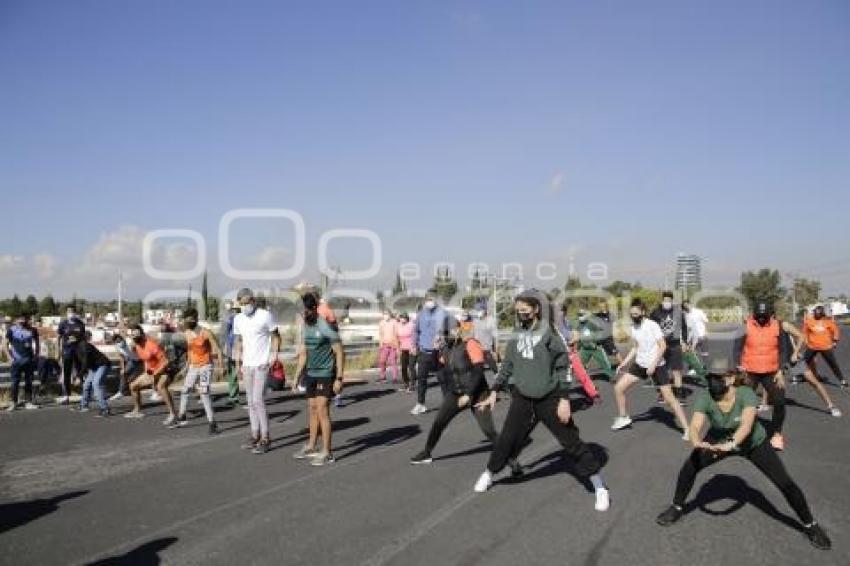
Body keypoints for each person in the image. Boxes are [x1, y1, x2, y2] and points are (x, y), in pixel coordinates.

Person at [655, 364, 831, 551]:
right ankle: (677, 507)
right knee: (689, 467)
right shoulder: (706, 396)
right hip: (718, 439)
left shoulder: (746, 393)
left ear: (731, 378)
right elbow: (695, 426)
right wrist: (697, 442)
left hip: (752, 443)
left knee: (785, 483)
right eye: (710, 377)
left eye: (718, 377)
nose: (713, 381)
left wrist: (729, 445)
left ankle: (810, 525)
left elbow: (746, 426)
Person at [472, 291, 610, 511]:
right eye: (517, 311)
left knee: (570, 440)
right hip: (523, 397)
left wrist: (564, 399)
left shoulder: (550, 332)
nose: (520, 315)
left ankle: (599, 486)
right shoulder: (517, 332)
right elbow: (507, 364)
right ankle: (489, 473)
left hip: (550, 397)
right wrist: (494, 390)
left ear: (535, 309)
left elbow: (564, 366)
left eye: (524, 311)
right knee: (507, 438)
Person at [410, 325, 522, 477]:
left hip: (477, 393)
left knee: (488, 430)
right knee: (439, 423)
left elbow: (478, 370)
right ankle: (426, 452)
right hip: (456, 393)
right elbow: (438, 368)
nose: (445, 336)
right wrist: (435, 350)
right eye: (443, 333)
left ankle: (513, 462)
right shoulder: (446, 349)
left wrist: (469, 394)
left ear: (457, 330)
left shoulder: (470, 344)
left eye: (448, 332)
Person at [612, 298, 690, 439]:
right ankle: (623, 417)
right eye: (631, 314)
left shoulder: (652, 325)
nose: (633, 317)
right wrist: (624, 363)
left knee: (669, 398)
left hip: (657, 365)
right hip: (640, 364)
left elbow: (663, 346)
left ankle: (687, 428)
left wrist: (654, 364)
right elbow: (636, 347)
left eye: (636, 314)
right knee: (618, 388)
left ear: (643, 312)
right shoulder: (633, 327)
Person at [292, 293, 345, 466]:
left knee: (323, 410)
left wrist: (339, 378)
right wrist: (296, 376)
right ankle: (311, 446)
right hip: (311, 374)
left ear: (315, 308)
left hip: (326, 373)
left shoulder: (325, 326)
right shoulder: (306, 326)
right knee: (313, 409)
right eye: (303, 310)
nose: (304, 313)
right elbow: (304, 353)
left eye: (307, 310)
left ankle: (327, 452)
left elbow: (339, 351)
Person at [733, 301, 792, 451]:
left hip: (772, 371)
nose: (761, 319)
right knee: (743, 402)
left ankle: (777, 434)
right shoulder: (745, 326)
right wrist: (739, 369)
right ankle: (742, 432)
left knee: (779, 401)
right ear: (754, 314)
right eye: (758, 316)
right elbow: (737, 349)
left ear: (769, 314)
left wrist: (781, 371)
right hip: (749, 371)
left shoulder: (777, 325)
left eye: (764, 317)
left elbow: (784, 350)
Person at [233, 288, 281, 454]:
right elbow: (239, 341)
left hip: (262, 363)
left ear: (253, 300)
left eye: (248, 302)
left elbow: (275, 335)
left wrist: (273, 356)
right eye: (242, 303)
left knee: (258, 399)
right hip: (247, 364)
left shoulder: (264, 315)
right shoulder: (238, 319)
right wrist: (237, 361)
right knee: (250, 401)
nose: (245, 305)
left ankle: (266, 437)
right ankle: (255, 434)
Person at [174, 308, 223, 434]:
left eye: (191, 318)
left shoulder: (205, 332)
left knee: (204, 393)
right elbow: (190, 351)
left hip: (206, 366)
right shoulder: (187, 332)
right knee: (185, 390)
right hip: (193, 366)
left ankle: (212, 423)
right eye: (186, 319)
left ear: (196, 319)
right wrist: (185, 368)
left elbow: (217, 349)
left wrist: (220, 367)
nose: (188, 321)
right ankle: (181, 415)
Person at [125, 325, 177, 423]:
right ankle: (137, 411)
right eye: (132, 336)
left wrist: (155, 375)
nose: (134, 338)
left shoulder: (151, 345)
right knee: (133, 386)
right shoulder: (136, 346)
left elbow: (165, 361)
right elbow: (146, 360)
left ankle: (173, 414)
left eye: (136, 335)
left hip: (164, 371)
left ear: (142, 335)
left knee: (161, 387)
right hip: (151, 372)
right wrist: (147, 373)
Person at [411, 294, 450, 415]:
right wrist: (414, 345)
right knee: (421, 379)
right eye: (428, 300)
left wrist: (444, 341)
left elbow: (451, 332)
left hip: (439, 352)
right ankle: (420, 404)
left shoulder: (443, 314)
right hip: (424, 351)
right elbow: (416, 331)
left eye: (432, 300)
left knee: (442, 379)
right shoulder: (421, 314)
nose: (430, 302)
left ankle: (448, 404)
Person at [650, 292, 690, 404]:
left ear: (672, 301)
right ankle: (663, 394)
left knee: (677, 371)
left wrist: (685, 342)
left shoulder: (678, 312)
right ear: (662, 301)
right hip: (660, 345)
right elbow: (650, 328)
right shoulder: (655, 313)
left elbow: (684, 327)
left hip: (675, 344)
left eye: (669, 300)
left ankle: (679, 395)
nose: (667, 302)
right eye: (665, 300)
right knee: (663, 371)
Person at [802, 305, 847, 388]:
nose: (816, 313)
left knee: (833, 364)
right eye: (815, 312)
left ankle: (842, 380)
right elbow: (804, 333)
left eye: (818, 312)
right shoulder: (809, 321)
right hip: (812, 347)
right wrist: (806, 342)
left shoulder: (828, 321)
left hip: (826, 347)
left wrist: (835, 341)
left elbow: (836, 331)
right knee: (803, 362)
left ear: (822, 313)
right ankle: (798, 377)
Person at [71, 329, 112, 417]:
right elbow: (77, 364)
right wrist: (79, 376)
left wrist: (80, 376)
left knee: (96, 384)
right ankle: (84, 405)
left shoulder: (84, 345)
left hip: (102, 365)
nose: (70, 339)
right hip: (93, 367)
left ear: (77, 338)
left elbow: (85, 361)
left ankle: (105, 409)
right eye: (69, 338)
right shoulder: (74, 348)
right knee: (86, 385)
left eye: (72, 338)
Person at [5, 313, 40, 411]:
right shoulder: (12, 330)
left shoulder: (32, 330)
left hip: (29, 360)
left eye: (24, 319)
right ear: (16, 320)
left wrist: (37, 354)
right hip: (16, 361)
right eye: (20, 319)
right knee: (15, 382)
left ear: (27, 319)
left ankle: (28, 402)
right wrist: (9, 357)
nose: (22, 321)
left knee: (29, 382)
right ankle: (13, 403)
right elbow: (5, 343)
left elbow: (37, 342)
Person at [575, 310, 616, 381]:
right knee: (581, 365)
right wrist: (578, 348)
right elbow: (579, 338)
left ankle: (611, 376)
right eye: (579, 315)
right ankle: (580, 378)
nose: (580, 317)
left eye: (581, 315)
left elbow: (599, 332)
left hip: (595, 348)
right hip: (585, 349)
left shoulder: (590, 324)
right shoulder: (579, 327)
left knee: (604, 362)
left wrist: (596, 341)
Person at [57, 307, 85, 404]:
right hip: (67, 351)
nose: (71, 313)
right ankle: (66, 396)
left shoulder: (80, 324)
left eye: (72, 312)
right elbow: (59, 337)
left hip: (78, 352)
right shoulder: (63, 324)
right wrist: (59, 351)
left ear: (75, 313)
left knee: (80, 372)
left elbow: (83, 338)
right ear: (66, 313)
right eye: (69, 312)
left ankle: (85, 394)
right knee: (67, 374)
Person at [219, 301, 243, 407]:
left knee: (233, 371)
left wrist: (222, 347)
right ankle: (234, 396)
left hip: (233, 346)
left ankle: (233, 396)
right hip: (236, 346)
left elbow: (223, 334)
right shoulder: (241, 317)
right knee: (233, 371)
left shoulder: (230, 318)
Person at [682, 300, 708, 383]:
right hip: (692, 337)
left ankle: (706, 366)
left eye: (687, 305)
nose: (686, 306)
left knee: (704, 353)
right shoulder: (685, 314)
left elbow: (706, 321)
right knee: (692, 353)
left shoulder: (699, 312)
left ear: (691, 304)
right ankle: (693, 368)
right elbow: (687, 327)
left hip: (702, 335)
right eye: (684, 306)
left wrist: (706, 332)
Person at [110, 333, 141, 401]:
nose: (120, 343)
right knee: (123, 374)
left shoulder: (129, 342)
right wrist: (123, 369)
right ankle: (121, 392)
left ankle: (156, 391)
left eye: (120, 340)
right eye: (117, 342)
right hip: (132, 361)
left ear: (122, 339)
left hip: (141, 360)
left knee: (137, 377)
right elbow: (122, 358)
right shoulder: (117, 346)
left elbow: (138, 348)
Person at [593, 301, 622, 365]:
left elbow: (615, 325)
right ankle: (583, 365)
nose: (602, 308)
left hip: (608, 337)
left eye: (603, 306)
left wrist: (616, 333)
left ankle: (622, 363)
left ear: (606, 306)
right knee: (590, 349)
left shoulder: (610, 315)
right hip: (599, 337)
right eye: (600, 306)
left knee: (614, 351)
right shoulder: (597, 315)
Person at [473, 306, 499, 374]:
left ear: (484, 311)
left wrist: (496, 351)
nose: (477, 312)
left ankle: (497, 378)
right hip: (476, 349)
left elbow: (495, 337)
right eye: (476, 310)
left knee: (493, 367)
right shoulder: (475, 321)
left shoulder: (491, 321)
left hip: (487, 349)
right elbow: (472, 334)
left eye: (479, 310)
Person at [396, 312, 417, 393]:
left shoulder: (412, 325)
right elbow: (397, 337)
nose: (402, 319)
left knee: (411, 367)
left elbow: (415, 336)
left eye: (404, 318)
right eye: (401, 318)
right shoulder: (398, 326)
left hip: (412, 348)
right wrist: (398, 349)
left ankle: (413, 385)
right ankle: (406, 383)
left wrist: (414, 347)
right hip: (403, 349)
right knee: (403, 367)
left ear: (407, 318)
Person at [377, 310, 399, 384]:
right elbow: (380, 334)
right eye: (384, 314)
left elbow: (397, 333)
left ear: (390, 314)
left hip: (393, 345)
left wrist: (397, 345)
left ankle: (395, 377)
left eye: (387, 314)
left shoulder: (394, 322)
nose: (386, 316)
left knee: (393, 362)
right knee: (382, 361)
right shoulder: (381, 323)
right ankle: (383, 376)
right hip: (384, 345)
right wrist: (381, 344)